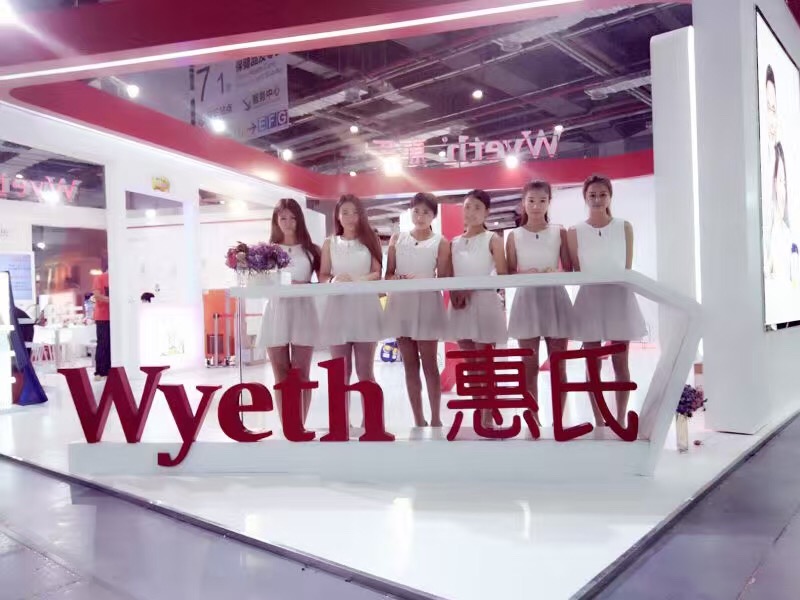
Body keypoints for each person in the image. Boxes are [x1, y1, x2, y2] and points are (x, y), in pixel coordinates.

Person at [567, 174, 646, 428]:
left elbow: (627, 266)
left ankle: (620, 417)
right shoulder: (574, 231)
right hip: (590, 300)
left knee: (620, 361)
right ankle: (599, 419)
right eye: (592, 195)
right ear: (585, 198)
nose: (597, 199)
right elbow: (576, 269)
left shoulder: (624, 226)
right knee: (592, 363)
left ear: (610, 197)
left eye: (602, 194)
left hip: (619, 298)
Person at [506, 180, 574, 425]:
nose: (536, 206)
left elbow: (569, 267)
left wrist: (554, 273)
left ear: (549, 202)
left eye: (542, 200)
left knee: (559, 366)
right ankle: (532, 419)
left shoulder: (559, 232)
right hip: (527, 301)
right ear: (523, 203)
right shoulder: (514, 235)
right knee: (528, 367)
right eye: (531, 200)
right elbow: (509, 271)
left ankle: (558, 421)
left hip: (555, 299)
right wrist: (526, 274)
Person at [319, 194, 384, 430]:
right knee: (340, 371)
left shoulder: (370, 239)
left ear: (361, 215)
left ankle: (372, 423)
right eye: (344, 212)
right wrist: (334, 280)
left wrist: (358, 280)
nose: (349, 217)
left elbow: (377, 272)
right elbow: (323, 274)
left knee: (365, 370)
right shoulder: (330, 243)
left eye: (354, 212)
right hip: (338, 309)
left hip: (364, 307)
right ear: (337, 216)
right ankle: (340, 423)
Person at [384, 192, 450, 427]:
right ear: (410, 212)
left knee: (430, 363)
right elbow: (388, 274)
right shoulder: (397, 239)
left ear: (433, 215)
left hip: (427, 303)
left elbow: (444, 278)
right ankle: (418, 419)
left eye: (426, 212)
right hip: (402, 304)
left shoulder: (440, 242)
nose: (420, 216)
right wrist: (397, 278)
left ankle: (436, 418)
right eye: (416, 211)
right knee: (410, 365)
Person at [257, 198, 321, 423]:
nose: (287, 222)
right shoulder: (268, 252)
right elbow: (261, 283)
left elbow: (324, 281)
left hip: (304, 311)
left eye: (292, 218)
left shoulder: (311, 250)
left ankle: (300, 424)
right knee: (281, 374)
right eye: (282, 217)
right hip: (277, 311)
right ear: (276, 220)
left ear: (299, 220)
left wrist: (302, 286)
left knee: (302, 373)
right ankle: (287, 426)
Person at [448, 189, 508, 428]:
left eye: (477, 208)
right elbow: (448, 275)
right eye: (467, 207)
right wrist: (454, 293)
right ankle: (479, 415)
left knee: (485, 364)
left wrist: (471, 288)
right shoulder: (454, 242)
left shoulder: (492, 239)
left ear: (486, 212)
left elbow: (502, 274)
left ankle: (487, 419)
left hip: (484, 303)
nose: (471, 212)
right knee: (471, 366)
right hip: (460, 305)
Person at [92, 256, 110, 381]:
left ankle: (109, 370)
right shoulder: (100, 278)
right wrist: (112, 300)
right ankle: (100, 371)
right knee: (103, 344)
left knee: (111, 345)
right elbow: (97, 296)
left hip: (116, 317)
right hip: (103, 316)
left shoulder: (119, 280)